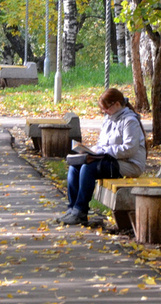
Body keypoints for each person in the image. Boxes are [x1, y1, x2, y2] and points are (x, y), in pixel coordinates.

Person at [58, 87, 146, 226]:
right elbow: (102, 143)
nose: (104, 111)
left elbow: (129, 149)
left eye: (106, 108)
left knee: (88, 168)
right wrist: (89, 151)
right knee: (75, 166)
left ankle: (80, 211)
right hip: (109, 159)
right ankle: (72, 209)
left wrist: (103, 152)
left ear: (117, 104)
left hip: (129, 165)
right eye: (102, 109)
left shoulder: (130, 121)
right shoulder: (108, 119)